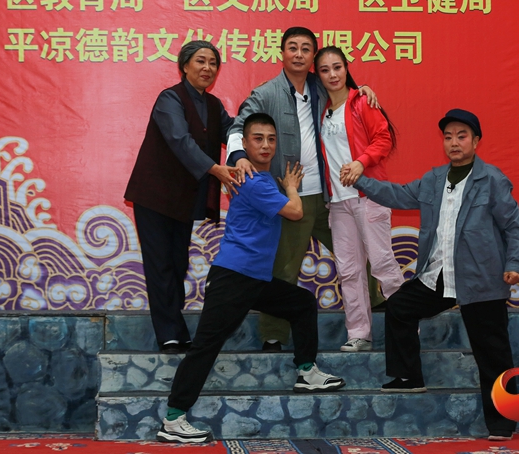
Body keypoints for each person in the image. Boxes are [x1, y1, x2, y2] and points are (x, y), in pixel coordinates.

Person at [157, 114, 346, 444]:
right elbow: (296, 212)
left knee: (301, 302)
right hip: (234, 277)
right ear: (244, 144)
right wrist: (291, 188)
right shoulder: (254, 182)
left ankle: (306, 371)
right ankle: (173, 419)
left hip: (254, 278)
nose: (266, 145)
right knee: (205, 346)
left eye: (271, 139)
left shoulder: (260, 178)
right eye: (258, 139)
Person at [352, 109, 519, 441]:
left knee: (493, 353)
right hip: (439, 275)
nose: (454, 143)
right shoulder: (433, 180)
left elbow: (513, 228)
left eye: (462, 136)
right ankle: (409, 377)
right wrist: (359, 180)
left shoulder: (492, 179)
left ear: (476, 141)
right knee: (399, 307)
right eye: (448, 137)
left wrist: (514, 265)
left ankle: (503, 422)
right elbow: (397, 195)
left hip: (481, 279)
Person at [226, 27, 379, 351]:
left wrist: (361, 90)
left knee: (357, 255)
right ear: (281, 53)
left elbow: (346, 97)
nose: (299, 54)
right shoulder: (266, 93)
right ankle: (273, 335)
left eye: (306, 49)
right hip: (289, 197)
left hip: (328, 195)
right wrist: (239, 157)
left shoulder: (320, 86)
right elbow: (238, 126)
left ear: (313, 57)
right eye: (293, 47)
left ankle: (377, 310)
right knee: (284, 267)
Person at [125, 41, 240, 355]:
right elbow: (180, 140)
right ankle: (170, 334)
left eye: (213, 63)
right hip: (154, 195)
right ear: (185, 66)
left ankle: (174, 328)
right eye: (200, 61)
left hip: (184, 198)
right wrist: (216, 169)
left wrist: (246, 146)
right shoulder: (169, 99)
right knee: (161, 264)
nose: (207, 68)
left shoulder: (213, 105)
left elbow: (232, 132)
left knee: (178, 263)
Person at [314, 46, 405, 352]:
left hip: (369, 197)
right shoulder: (321, 109)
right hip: (338, 203)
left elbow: (384, 138)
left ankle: (405, 327)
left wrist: (360, 162)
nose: (332, 74)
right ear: (318, 76)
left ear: (346, 68)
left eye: (337, 67)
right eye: (325, 70)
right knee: (349, 271)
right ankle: (359, 333)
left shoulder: (362, 101)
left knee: (382, 264)